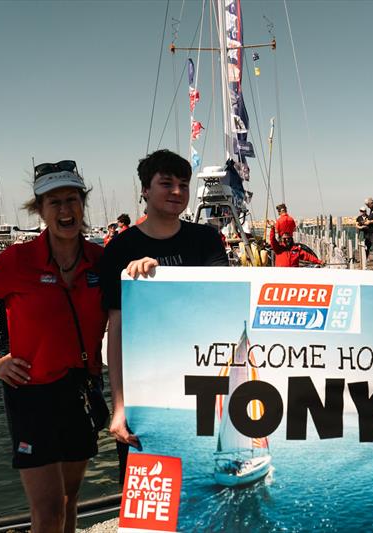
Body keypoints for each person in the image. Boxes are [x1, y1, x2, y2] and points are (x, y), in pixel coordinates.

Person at [0, 160, 107, 533]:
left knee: (70, 500)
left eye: (72, 199)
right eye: (54, 202)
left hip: (82, 390)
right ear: (39, 209)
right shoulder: (16, 261)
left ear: (83, 203)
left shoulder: (100, 260)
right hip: (31, 394)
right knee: (48, 510)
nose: (65, 210)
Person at [99, 149, 228, 480]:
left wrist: (161, 282)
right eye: (166, 183)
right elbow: (117, 331)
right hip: (146, 390)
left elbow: (220, 303)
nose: (177, 192)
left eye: (183, 184)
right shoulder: (121, 249)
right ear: (145, 189)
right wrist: (120, 407)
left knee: (207, 479)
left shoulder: (207, 239)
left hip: (203, 384)